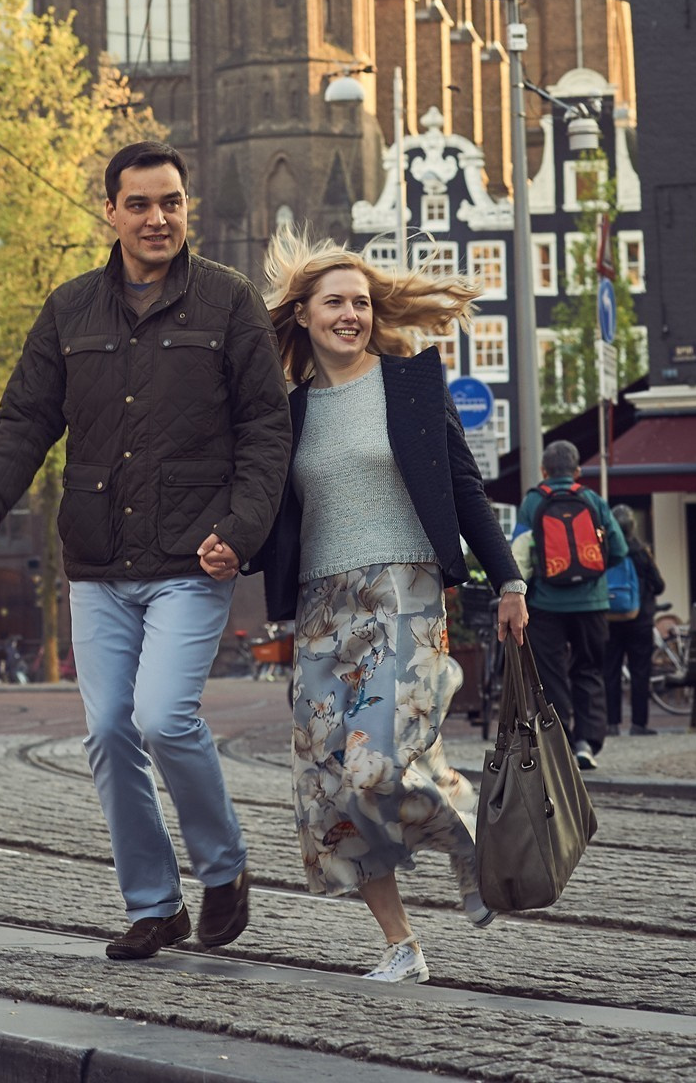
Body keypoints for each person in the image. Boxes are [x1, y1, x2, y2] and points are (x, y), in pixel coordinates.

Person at [0, 141, 291, 961]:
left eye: (170, 202)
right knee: (109, 731)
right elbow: (26, 417)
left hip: (191, 554)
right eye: (139, 204)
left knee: (164, 717)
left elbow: (266, 430)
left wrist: (239, 532)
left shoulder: (229, 302)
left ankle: (224, 870)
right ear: (110, 211)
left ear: (188, 208)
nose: (157, 218)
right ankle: (153, 905)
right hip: (100, 561)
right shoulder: (70, 309)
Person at [255, 234, 528, 987]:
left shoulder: (410, 384)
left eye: (361, 304)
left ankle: (469, 831)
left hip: (402, 594)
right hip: (319, 608)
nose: (351, 315)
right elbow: (264, 511)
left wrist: (508, 582)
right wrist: (223, 546)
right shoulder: (290, 411)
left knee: (376, 765)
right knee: (329, 790)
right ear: (303, 315)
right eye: (335, 302)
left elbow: (465, 486)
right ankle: (401, 945)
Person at [511, 442, 629, 771]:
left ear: (543, 471)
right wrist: (592, 575)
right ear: (578, 471)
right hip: (592, 604)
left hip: (546, 606)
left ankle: (558, 742)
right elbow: (618, 549)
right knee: (589, 669)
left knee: (550, 675)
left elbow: (519, 558)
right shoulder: (593, 500)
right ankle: (587, 743)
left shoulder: (533, 502)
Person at [603, 504, 665, 738]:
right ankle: (638, 724)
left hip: (610, 619)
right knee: (640, 672)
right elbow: (659, 585)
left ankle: (611, 723)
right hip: (640, 621)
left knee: (610, 671)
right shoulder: (641, 552)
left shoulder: (606, 551)